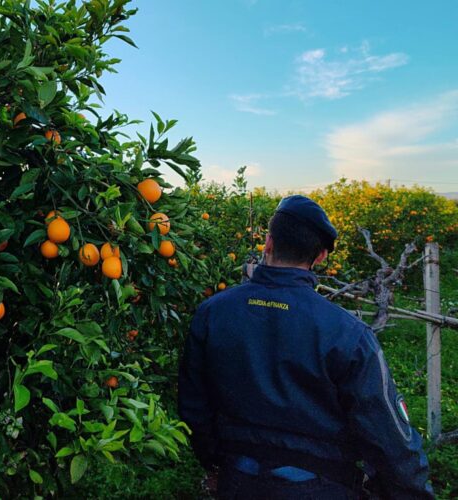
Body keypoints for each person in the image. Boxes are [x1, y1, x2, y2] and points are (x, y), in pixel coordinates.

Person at [178, 195, 434, 499]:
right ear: (321, 256)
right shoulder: (348, 333)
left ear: (268, 242)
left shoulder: (212, 313)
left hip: (238, 481)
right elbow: (388, 435)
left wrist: (217, 462)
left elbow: (194, 405)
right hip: (322, 487)